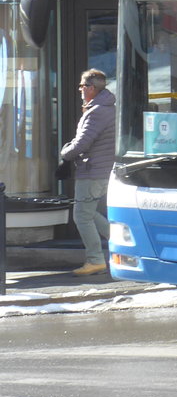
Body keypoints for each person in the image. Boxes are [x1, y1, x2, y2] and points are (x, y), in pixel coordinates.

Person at [60, 69, 116, 276]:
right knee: (89, 213)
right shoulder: (106, 108)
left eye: (82, 86)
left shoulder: (97, 111)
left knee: (82, 216)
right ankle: (121, 242)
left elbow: (83, 142)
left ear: (91, 88)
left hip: (92, 171)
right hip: (101, 170)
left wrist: (65, 154)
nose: (80, 90)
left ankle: (95, 260)